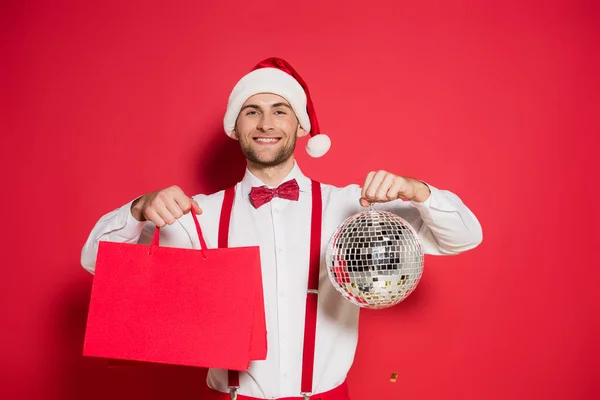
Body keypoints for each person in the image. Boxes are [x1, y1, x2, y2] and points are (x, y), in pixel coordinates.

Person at [81, 57, 483, 400]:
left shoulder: (352, 206)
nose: (266, 123)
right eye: (251, 111)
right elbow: (96, 263)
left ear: (301, 127)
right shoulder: (197, 214)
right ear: (235, 128)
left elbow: (465, 236)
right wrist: (137, 210)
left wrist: (419, 191)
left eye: (280, 109)